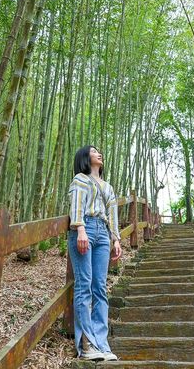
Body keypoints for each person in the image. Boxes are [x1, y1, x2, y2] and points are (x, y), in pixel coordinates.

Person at [67, 145, 122, 361]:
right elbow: (77, 206)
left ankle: (101, 343)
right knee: (85, 284)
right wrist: (80, 228)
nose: (99, 153)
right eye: (93, 150)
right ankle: (86, 344)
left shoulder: (107, 186)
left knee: (100, 288)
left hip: (102, 233)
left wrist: (116, 239)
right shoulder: (80, 179)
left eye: (99, 151)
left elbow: (113, 213)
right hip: (85, 229)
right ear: (84, 157)